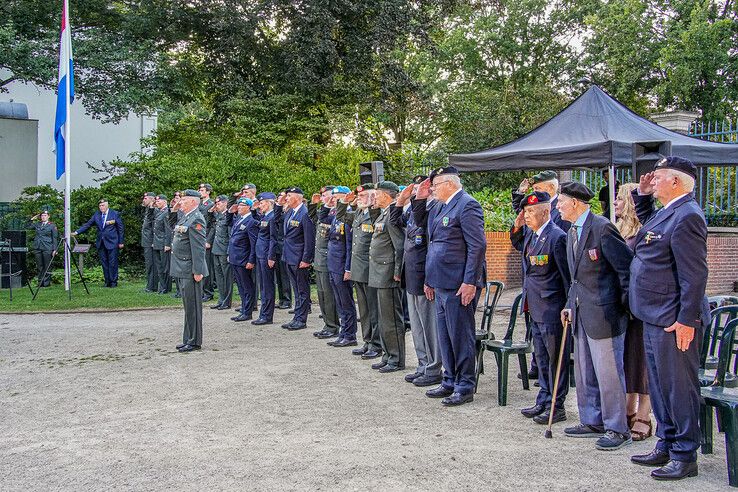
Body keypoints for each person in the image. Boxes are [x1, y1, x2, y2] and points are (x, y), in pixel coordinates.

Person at [629, 157, 709, 481]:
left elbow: (695, 274)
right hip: (653, 315)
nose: (652, 179)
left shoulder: (688, 216)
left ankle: (685, 454)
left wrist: (687, 320)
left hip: (673, 319)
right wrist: (644, 196)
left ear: (675, 181)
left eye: (658, 177)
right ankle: (667, 441)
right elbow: (650, 235)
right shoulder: (668, 211)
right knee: (661, 388)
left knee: (679, 389)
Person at [557, 181, 633, 450]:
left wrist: (622, 307)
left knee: (609, 374)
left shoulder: (602, 228)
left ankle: (617, 428)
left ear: (575, 203)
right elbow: (574, 279)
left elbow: (625, 269)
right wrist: (569, 303)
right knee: (586, 370)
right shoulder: (571, 232)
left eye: (561, 202)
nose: (558, 207)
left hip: (605, 314)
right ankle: (592, 420)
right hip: (580, 311)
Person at [412, 167, 486, 406]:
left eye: (435, 185)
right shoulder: (440, 206)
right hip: (440, 281)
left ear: (450, 184)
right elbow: (428, 237)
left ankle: (465, 385)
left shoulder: (467, 205)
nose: (432, 188)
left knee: (460, 335)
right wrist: (429, 280)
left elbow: (477, 246)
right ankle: (449, 379)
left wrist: (469, 282)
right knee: (445, 336)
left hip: (458, 283)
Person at [510, 191, 571, 425]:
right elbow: (517, 244)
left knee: (556, 360)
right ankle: (544, 399)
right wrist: (516, 225)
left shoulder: (557, 237)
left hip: (552, 307)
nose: (526, 215)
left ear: (546, 212)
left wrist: (567, 306)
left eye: (531, 211)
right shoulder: (532, 235)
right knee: (542, 357)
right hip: (535, 306)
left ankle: (557, 405)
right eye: (525, 211)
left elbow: (567, 277)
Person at [393, 175, 443, 387]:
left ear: (430, 188)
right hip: (411, 275)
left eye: (420, 187)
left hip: (424, 276)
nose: (415, 191)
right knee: (417, 326)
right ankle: (423, 364)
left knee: (429, 327)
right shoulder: (415, 209)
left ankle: (433, 367)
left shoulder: (434, 209)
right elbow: (395, 222)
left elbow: (432, 248)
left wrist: (429, 279)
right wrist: (400, 201)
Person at [613, 183, 652, 442]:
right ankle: (628, 405)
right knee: (628, 358)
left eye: (618, 198)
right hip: (621, 306)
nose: (614, 203)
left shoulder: (643, 233)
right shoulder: (617, 229)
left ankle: (645, 414)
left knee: (642, 360)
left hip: (640, 306)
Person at [337, 184, 383, 360]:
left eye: (364, 196)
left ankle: (376, 344)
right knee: (363, 310)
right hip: (358, 268)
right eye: (360, 196)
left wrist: (372, 203)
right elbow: (342, 216)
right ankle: (367, 341)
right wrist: (344, 201)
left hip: (369, 269)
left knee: (373, 309)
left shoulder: (374, 214)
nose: (360, 198)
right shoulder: (358, 213)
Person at [368, 181, 406, 373]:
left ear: (386, 195)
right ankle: (387, 354)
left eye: (376, 194)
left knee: (391, 319)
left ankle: (396, 359)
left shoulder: (393, 213)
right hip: (378, 273)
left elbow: (399, 246)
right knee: (383, 318)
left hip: (388, 273)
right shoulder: (383, 213)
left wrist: (398, 272)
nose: (374, 197)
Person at [169, 190, 208, 352]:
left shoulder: (197, 218)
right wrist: (174, 209)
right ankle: (188, 338)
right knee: (187, 306)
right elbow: (173, 226)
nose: (180, 202)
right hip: (181, 267)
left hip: (190, 268)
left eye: (184, 200)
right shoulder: (186, 216)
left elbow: (198, 248)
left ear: (193, 202)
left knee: (193, 307)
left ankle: (194, 341)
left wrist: (198, 270)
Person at [325, 186, 358, 347]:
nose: (334, 200)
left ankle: (350, 334)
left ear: (347, 197)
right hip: (333, 263)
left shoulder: (349, 215)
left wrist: (348, 268)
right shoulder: (335, 215)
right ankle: (343, 332)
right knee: (339, 301)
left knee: (346, 301)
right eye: (333, 197)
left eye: (338, 197)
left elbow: (349, 245)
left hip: (342, 264)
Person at [279, 187, 315, 330]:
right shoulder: (290, 212)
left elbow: (309, 239)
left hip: (299, 258)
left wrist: (306, 259)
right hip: (289, 256)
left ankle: (301, 319)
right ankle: (296, 317)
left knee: (302, 290)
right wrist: (279, 204)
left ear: (298, 197)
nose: (286, 198)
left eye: (289, 196)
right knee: (296, 289)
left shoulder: (305, 213)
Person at [310, 186, 340, 339]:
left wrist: (328, 205)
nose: (324, 199)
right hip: (319, 258)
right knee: (321, 294)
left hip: (328, 258)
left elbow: (324, 220)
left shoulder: (336, 213)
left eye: (326, 196)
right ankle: (328, 324)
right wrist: (319, 205)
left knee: (329, 295)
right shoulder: (326, 212)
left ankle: (333, 326)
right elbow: (314, 219)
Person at [72, 199, 124, 287]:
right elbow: (88, 225)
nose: (101, 207)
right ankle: (107, 281)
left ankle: (113, 282)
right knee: (104, 263)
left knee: (112, 263)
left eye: (103, 205)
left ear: (107, 205)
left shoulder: (114, 213)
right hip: (101, 242)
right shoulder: (97, 215)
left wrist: (121, 242)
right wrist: (77, 232)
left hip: (112, 242)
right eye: (100, 206)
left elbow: (120, 228)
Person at [227, 197, 259, 322]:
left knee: (247, 286)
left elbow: (253, 243)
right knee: (240, 286)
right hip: (235, 258)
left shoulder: (251, 221)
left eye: (242, 206)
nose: (239, 207)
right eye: (238, 205)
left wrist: (251, 260)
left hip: (244, 259)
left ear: (248, 207)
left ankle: (248, 312)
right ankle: (244, 309)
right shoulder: (239, 219)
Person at [253, 192, 278, 325]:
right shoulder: (265, 216)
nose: (260, 205)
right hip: (260, 254)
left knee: (267, 286)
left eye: (262, 203)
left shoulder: (272, 217)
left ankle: (267, 315)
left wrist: (271, 256)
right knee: (262, 285)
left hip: (266, 255)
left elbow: (273, 239)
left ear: (269, 203)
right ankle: (263, 313)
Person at [210, 195, 234, 310]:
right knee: (219, 276)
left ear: (225, 203)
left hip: (224, 250)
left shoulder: (229, 217)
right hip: (216, 249)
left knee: (227, 276)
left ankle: (227, 301)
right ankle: (221, 299)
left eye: (219, 203)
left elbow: (230, 236)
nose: (216, 205)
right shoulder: (218, 215)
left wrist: (229, 252)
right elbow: (209, 218)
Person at [271, 191, 292, 310]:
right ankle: (282, 299)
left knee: (285, 275)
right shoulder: (280, 210)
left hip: (286, 247)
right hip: (278, 247)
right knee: (279, 275)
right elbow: (275, 218)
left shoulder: (290, 211)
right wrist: (279, 205)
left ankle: (287, 299)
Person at [29, 210, 59, 287]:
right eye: (42, 215)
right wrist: (32, 219)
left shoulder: (52, 225)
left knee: (47, 266)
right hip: (38, 247)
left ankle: (46, 283)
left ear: (48, 216)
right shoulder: (37, 224)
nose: (43, 217)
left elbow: (55, 238)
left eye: (45, 215)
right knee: (40, 266)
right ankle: (40, 283)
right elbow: (28, 226)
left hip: (47, 247)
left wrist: (55, 249)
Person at [198, 183, 216, 302]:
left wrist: (209, 240)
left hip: (206, 237)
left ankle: (208, 292)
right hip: (198, 237)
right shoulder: (199, 204)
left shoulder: (211, 204)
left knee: (207, 266)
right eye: (199, 189)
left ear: (208, 192)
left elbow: (213, 225)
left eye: (202, 190)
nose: (200, 191)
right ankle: (202, 290)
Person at [152, 194, 173, 294]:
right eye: (156, 201)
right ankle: (162, 286)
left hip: (163, 243)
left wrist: (167, 244)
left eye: (159, 201)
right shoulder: (159, 212)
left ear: (165, 201)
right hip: (157, 242)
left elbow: (168, 230)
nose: (157, 203)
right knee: (159, 266)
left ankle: (166, 287)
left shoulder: (166, 212)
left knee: (165, 267)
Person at [141, 192, 157, 292]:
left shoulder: (153, 210)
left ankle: (152, 286)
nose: (143, 200)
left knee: (151, 264)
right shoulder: (148, 210)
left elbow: (154, 228)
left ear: (151, 200)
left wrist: (153, 241)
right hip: (146, 241)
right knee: (149, 264)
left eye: (146, 198)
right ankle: (150, 285)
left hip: (150, 242)